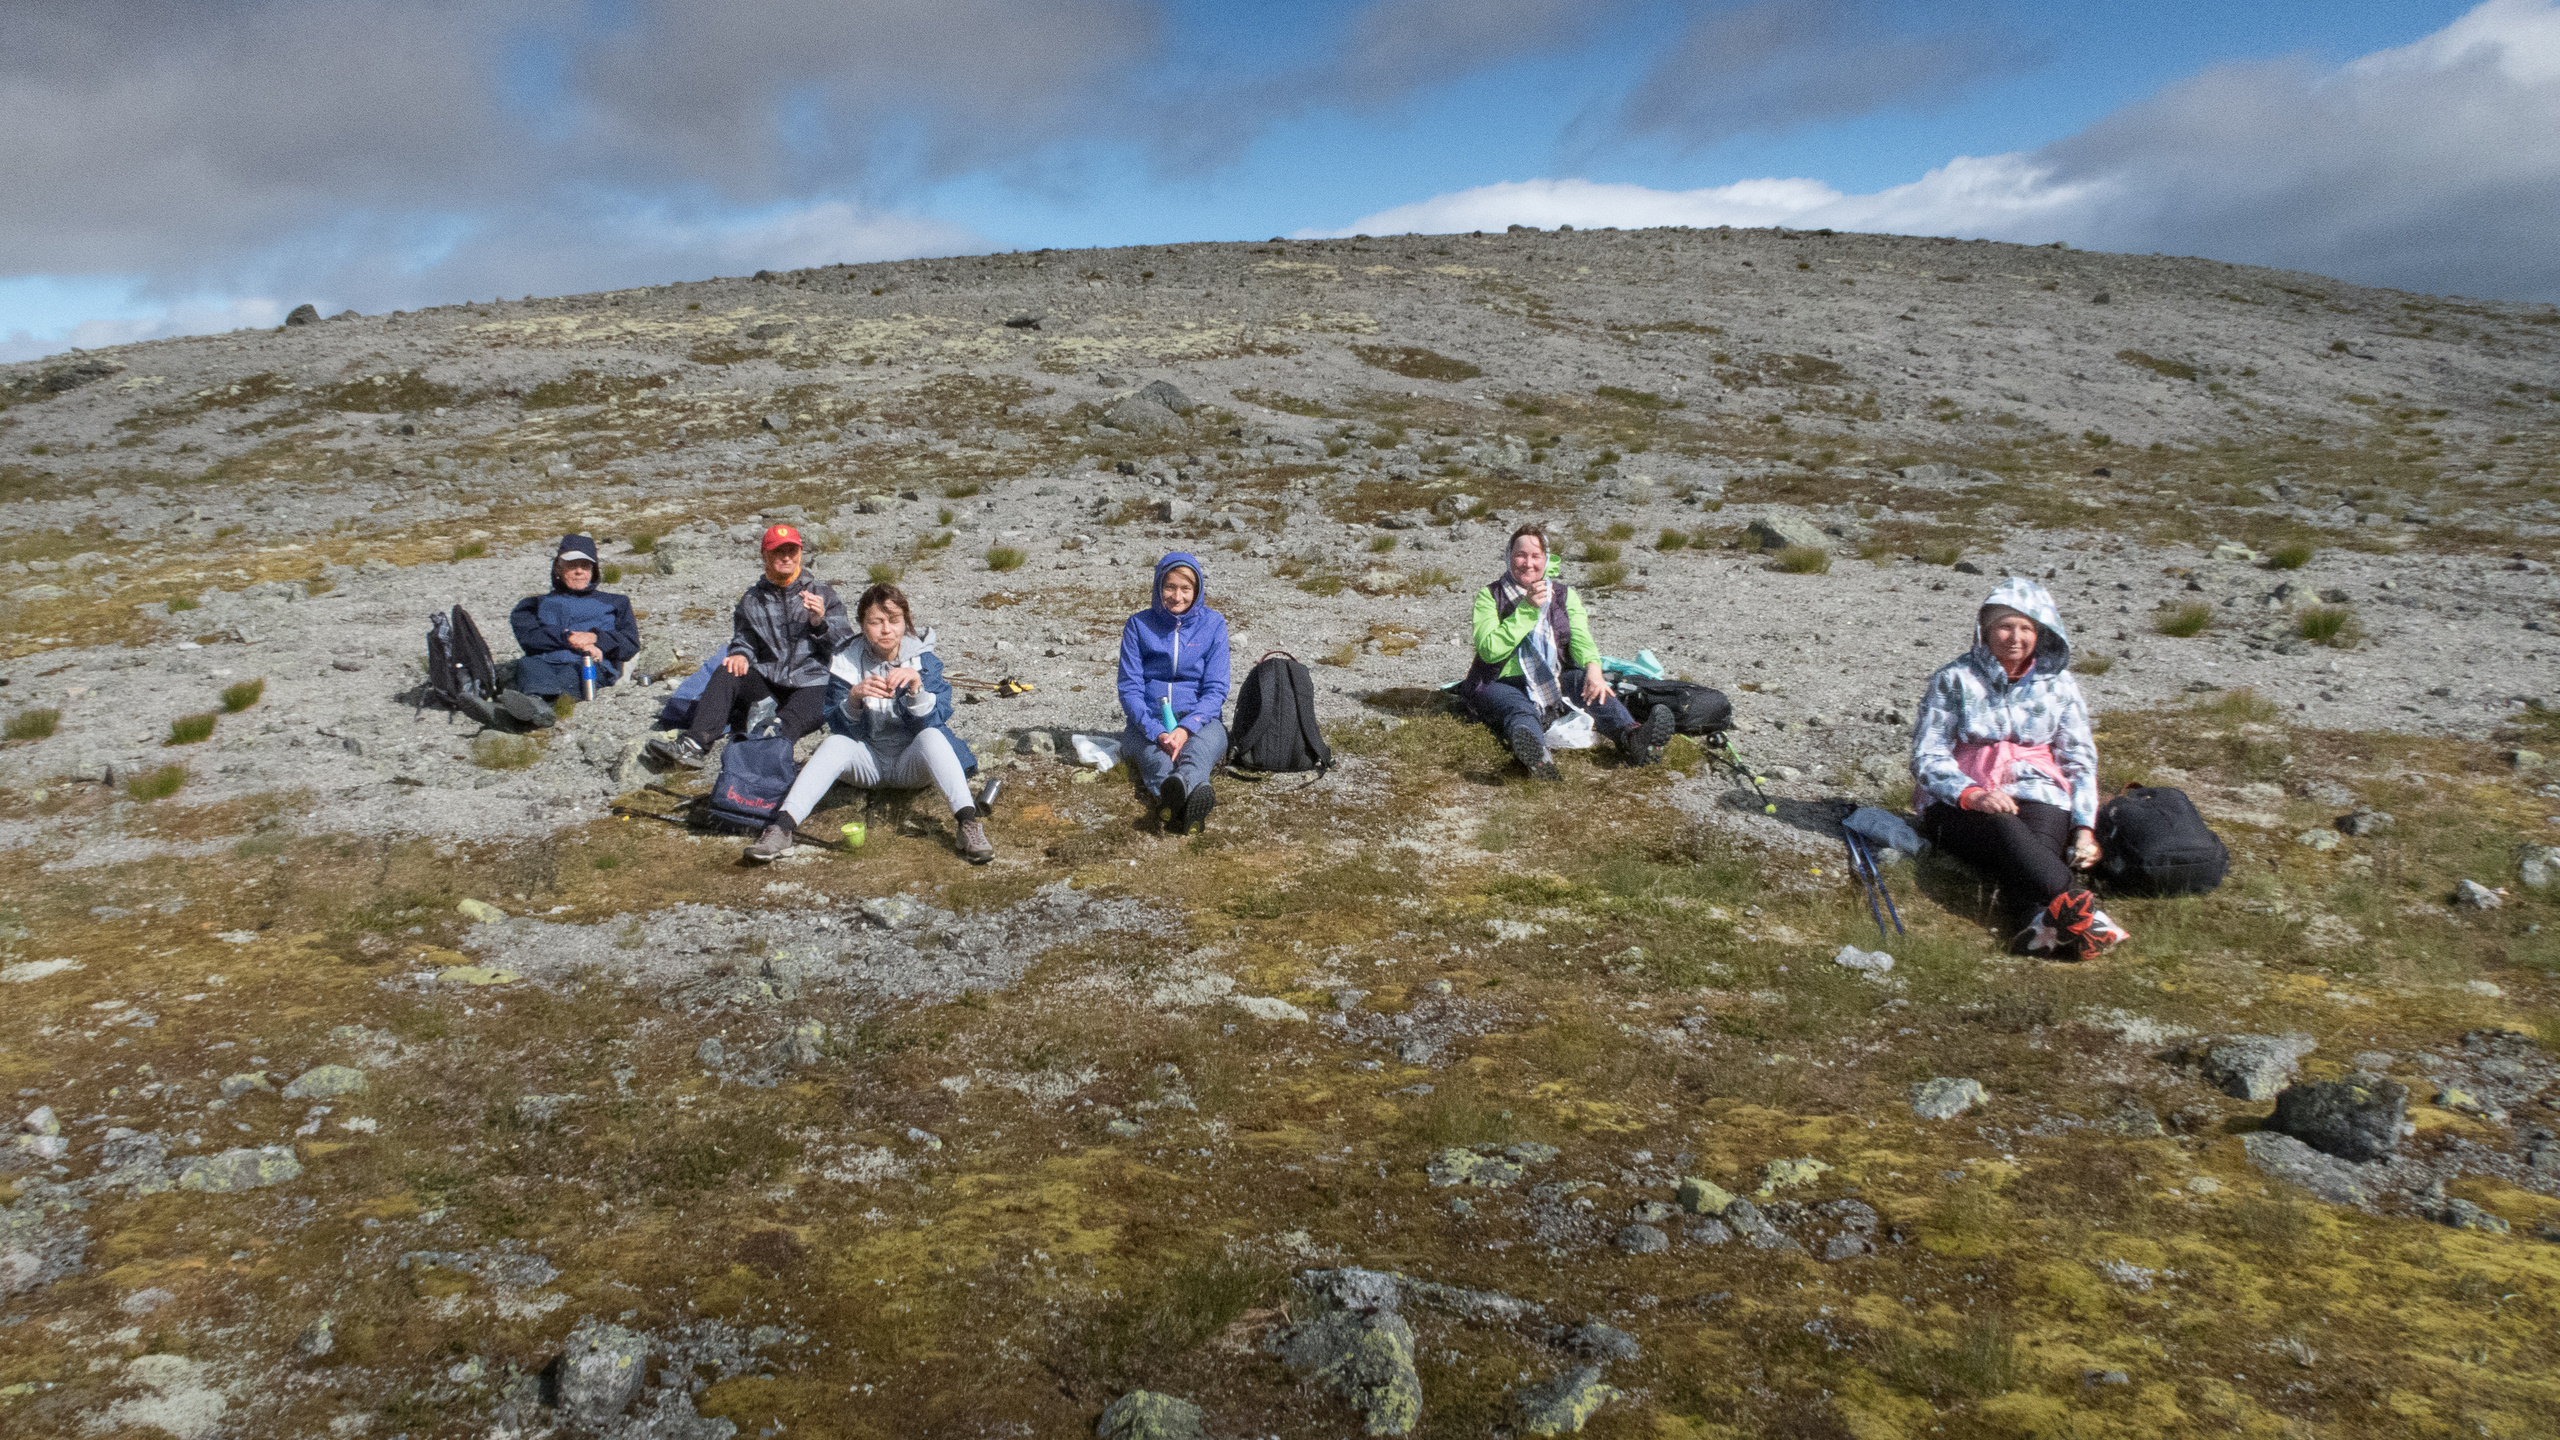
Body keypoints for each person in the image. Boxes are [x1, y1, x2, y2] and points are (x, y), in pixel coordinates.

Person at [1909, 577, 2130, 960]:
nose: (2015, 637)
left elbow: (2079, 760)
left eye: (2027, 627)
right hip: (1958, 802)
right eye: (2004, 625)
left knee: (2034, 849)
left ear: (2042, 634)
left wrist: (2083, 829)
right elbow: (1927, 754)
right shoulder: (1952, 679)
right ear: (1984, 630)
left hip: (2040, 790)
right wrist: (1973, 794)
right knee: (2004, 826)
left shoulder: (2060, 685)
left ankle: (2035, 931)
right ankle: (2085, 910)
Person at [747, 584, 992, 865]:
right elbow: (838, 726)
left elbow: (937, 719)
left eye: (894, 621)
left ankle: (968, 825)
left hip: (910, 764)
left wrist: (916, 687)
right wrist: (853, 698)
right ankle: (782, 828)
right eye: (876, 622)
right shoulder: (845, 660)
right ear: (863, 626)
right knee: (834, 743)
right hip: (868, 763)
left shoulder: (923, 660)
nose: (886, 629)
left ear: (906, 622)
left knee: (933, 737)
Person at [1461, 522, 1673, 779]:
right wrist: (1527, 609)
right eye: (1520, 555)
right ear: (1509, 557)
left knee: (1593, 686)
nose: (1528, 563)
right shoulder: (1489, 596)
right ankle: (1538, 757)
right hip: (1498, 680)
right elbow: (1489, 651)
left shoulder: (1563, 595)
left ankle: (1634, 739)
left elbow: (1581, 639)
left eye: (1535, 556)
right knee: (1519, 708)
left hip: (1553, 674)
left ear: (1546, 559)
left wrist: (1594, 669)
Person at [647, 524, 849, 769]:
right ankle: (695, 744)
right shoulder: (752, 600)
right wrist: (741, 654)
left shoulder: (823, 594)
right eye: (778, 551)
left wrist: (819, 622)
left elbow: (844, 647)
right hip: (768, 680)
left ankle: (764, 751)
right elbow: (743, 640)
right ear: (765, 555)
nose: (786, 557)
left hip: (812, 683)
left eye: (792, 551)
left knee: (789, 722)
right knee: (728, 669)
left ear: (800, 554)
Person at [1116, 552, 1230, 834]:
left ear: (1197, 590)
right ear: (1158, 586)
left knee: (1198, 753)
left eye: (1185, 588)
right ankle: (1186, 807)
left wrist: (1185, 729)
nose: (1177, 596)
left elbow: (1216, 689)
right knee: (1158, 761)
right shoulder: (1138, 625)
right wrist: (1157, 731)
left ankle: (1174, 805)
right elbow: (1130, 688)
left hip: (1201, 720)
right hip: (1147, 723)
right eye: (1170, 587)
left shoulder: (1213, 624)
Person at [508, 535, 638, 702]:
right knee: (528, 665)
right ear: (559, 569)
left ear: (594, 570)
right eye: (572, 565)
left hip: (589, 665)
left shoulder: (617, 602)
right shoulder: (533, 604)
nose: (579, 571)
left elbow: (630, 644)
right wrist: (569, 638)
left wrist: (595, 638)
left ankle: (535, 709)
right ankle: (532, 706)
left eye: (585, 566)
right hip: (543, 662)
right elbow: (529, 638)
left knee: (567, 676)